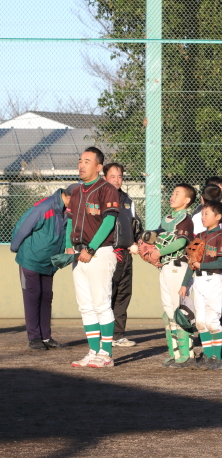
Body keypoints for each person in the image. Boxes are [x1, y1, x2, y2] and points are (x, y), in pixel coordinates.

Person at [65, 147, 120, 368]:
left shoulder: (107, 189)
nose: (81, 164)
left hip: (99, 252)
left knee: (101, 304)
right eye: (80, 160)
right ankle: (93, 351)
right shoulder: (77, 191)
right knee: (86, 306)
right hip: (79, 253)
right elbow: (69, 221)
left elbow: (108, 222)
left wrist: (91, 248)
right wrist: (69, 246)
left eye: (87, 161)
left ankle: (106, 354)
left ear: (98, 167)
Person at [10, 184, 78, 350]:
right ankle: (34, 338)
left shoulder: (68, 212)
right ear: (68, 197)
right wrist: (15, 247)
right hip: (30, 260)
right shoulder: (45, 207)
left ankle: (46, 337)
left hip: (49, 262)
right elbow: (23, 226)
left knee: (46, 297)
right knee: (33, 296)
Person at [142, 183, 195, 368]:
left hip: (178, 267)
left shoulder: (185, 218)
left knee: (179, 310)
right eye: (173, 192)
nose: (172, 196)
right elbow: (156, 236)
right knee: (168, 313)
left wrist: (159, 251)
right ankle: (175, 353)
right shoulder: (167, 218)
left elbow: (181, 241)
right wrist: (146, 243)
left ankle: (186, 355)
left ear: (187, 200)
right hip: (165, 267)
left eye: (177, 193)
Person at [179, 200, 222, 371]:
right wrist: (185, 284)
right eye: (202, 214)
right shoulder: (199, 237)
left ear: (218, 216)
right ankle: (208, 355)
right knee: (200, 322)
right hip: (199, 280)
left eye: (207, 214)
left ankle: (216, 356)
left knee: (212, 321)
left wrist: (202, 266)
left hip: (214, 280)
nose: (203, 217)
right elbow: (191, 263)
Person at [192, 183, 222, 355]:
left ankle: (217, 348)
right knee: (216, 306)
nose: (203, 216)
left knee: (213, 310)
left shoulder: (200, 218)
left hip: (214, 265)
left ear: (202, 199)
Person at [103, 162, 141, 347]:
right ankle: (104, 335)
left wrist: (138, 242)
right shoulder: (100, 197)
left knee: (124, 294)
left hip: (126, 254)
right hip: (109, 253)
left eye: (120, 176)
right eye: (113, 176)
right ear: (104, 178)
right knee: (107, 294)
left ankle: (118, 335)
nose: (117, 180)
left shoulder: (127, 199)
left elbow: (136, 224)